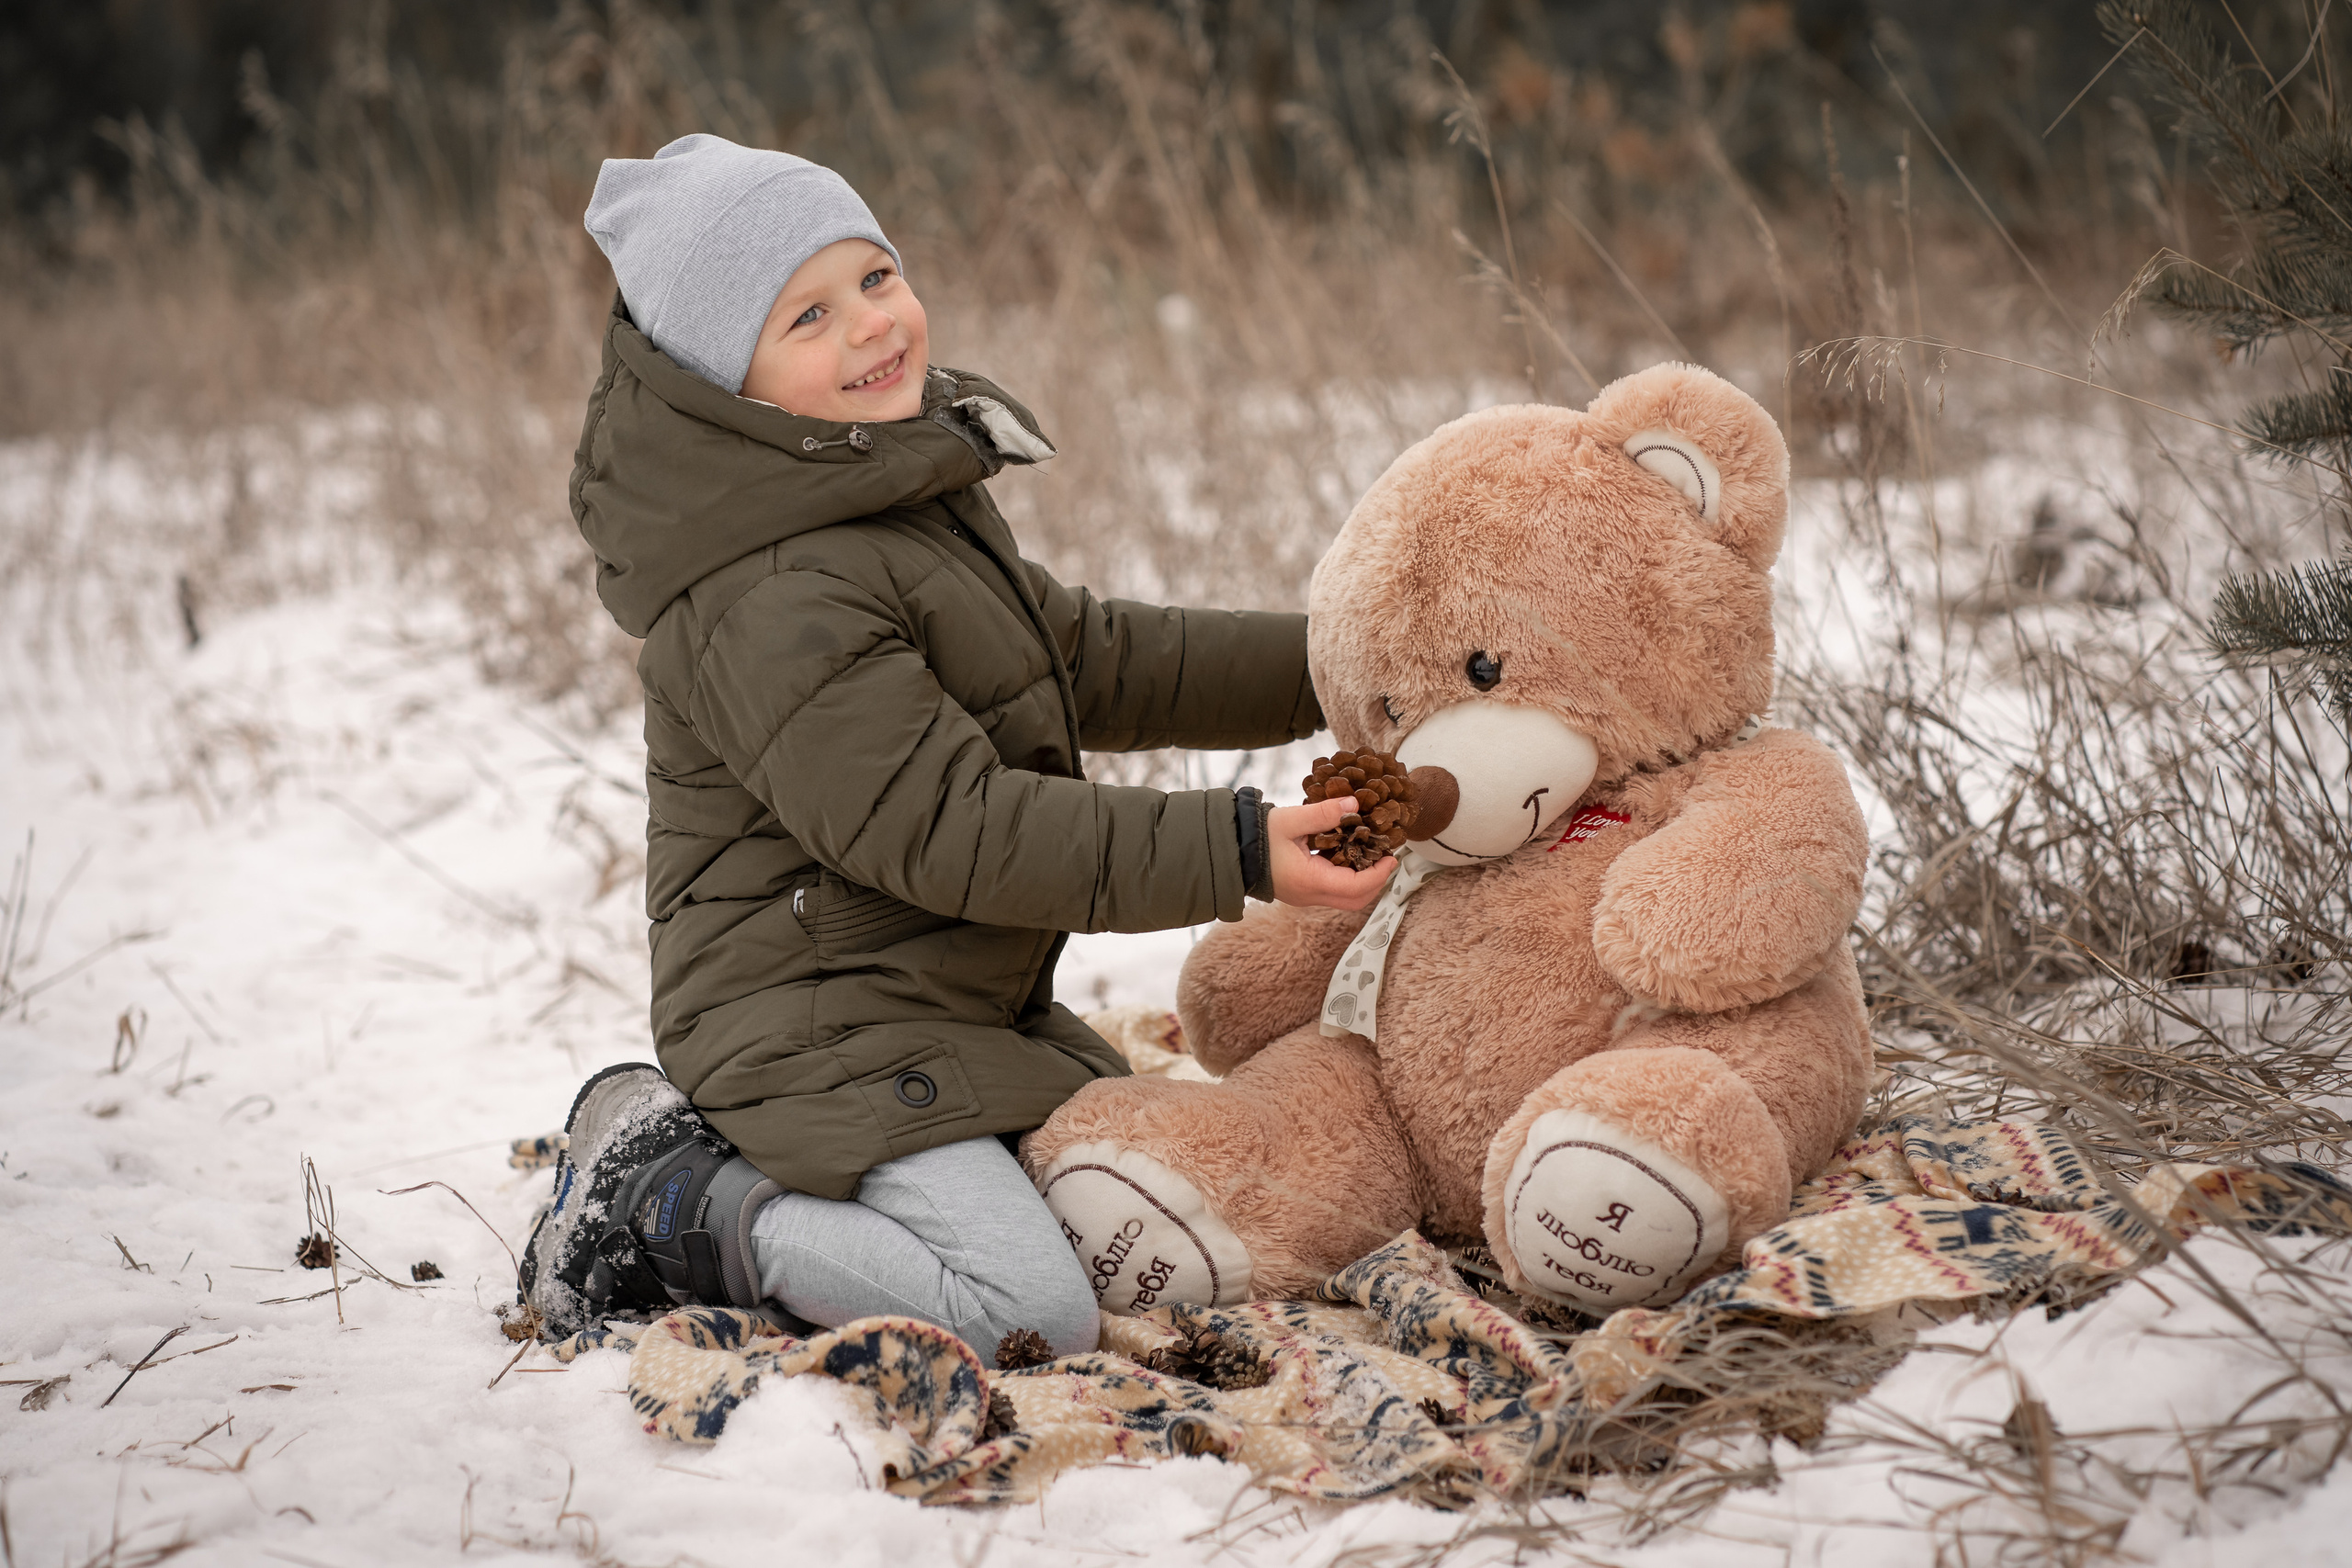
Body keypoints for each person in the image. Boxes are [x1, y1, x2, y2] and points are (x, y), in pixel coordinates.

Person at [520, 133, 1391, 1359]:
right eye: (808, 315)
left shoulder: (875, 486)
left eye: (876, 278)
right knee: (1027, 1308)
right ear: (732, 386)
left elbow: (1086, 657)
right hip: (814, 1030)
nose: (872, 328)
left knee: (1148, 1195)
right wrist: (1238, 847)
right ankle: (675, 1198)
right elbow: (955, 827)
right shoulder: (765, 595)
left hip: (942, 1002)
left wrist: (1346, 663)